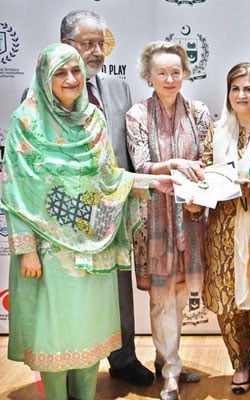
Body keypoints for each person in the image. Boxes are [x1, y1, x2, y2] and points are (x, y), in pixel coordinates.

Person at [2, 43, 178, 400]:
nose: (71, 79)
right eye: (60, 73)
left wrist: (149, 181)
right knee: (54, 333)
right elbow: (15, 188)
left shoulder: (93, 119)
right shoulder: (26, 121)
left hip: (95, 244)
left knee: (89, 333)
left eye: (76, 71)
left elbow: (109, 178)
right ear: (44, 78)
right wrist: (27, 249)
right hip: (50, 252)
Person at [59, 10, 153, 386]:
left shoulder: (117, 89)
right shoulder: (44, 91)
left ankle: (124, 358)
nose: (98, 52)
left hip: (113, 210)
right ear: (66, 46)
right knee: (71, 290)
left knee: (119, 287)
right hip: (68, 214)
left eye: (101, 44)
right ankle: (69, 363)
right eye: (88, 44)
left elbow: (127, 151)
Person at [126, 41, 212, 400]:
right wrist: (175, 164)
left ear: (185, 74)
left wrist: (200, 198)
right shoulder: (137, 115)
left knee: (180, 296)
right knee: (161, 298)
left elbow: (207, 159)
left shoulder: (199, 111)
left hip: (191, 217)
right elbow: (141, 165)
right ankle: (171, 372)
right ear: (149, 76)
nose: (169, 78)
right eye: (161, 72)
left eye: (176, 71)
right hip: (155, 219)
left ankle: (169, 361)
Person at [198, 62, 250, 394]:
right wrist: (195, 196)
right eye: (236, 89)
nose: (242, 95)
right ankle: (239, 364)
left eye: (249, 89)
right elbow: (204, 171)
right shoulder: (217, 130)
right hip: (223, 229)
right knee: (229, 302)